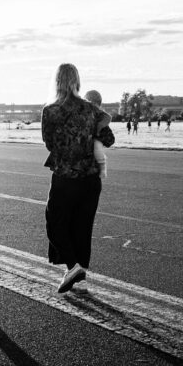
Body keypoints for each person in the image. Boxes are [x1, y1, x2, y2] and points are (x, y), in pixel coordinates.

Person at [42, 64, 115, 294]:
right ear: (77, 81)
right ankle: (78, 273)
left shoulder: (51, 111)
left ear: (57, 82)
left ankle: (72, 266)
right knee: (82, 227)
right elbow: (109, 139)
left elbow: (49, 143)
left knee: (55, 223)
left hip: (66, 176)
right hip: (91, 178)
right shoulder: (91, 109)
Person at [84, 90, 111, 182]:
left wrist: (100, 127)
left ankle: (103, 166)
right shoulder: (82, 112)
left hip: (96, 137)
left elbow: (108, 117)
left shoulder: (98, 112)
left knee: (97, 147)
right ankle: (102, 166)